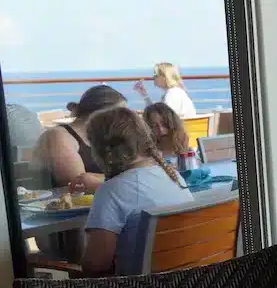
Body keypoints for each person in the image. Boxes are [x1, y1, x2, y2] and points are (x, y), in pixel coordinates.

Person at [80, 107, 194, 275]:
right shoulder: (172, 176)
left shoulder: (111, 191)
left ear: (101, 150)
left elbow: (95, 265)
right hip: (185, 284)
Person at [34, 85, 127, 191]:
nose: (125, 120)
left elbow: (137, 169)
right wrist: (128, 178)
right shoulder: (58, 136)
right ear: (98, 114)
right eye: (121, 115)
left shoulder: (102, 136)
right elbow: (78, 184)